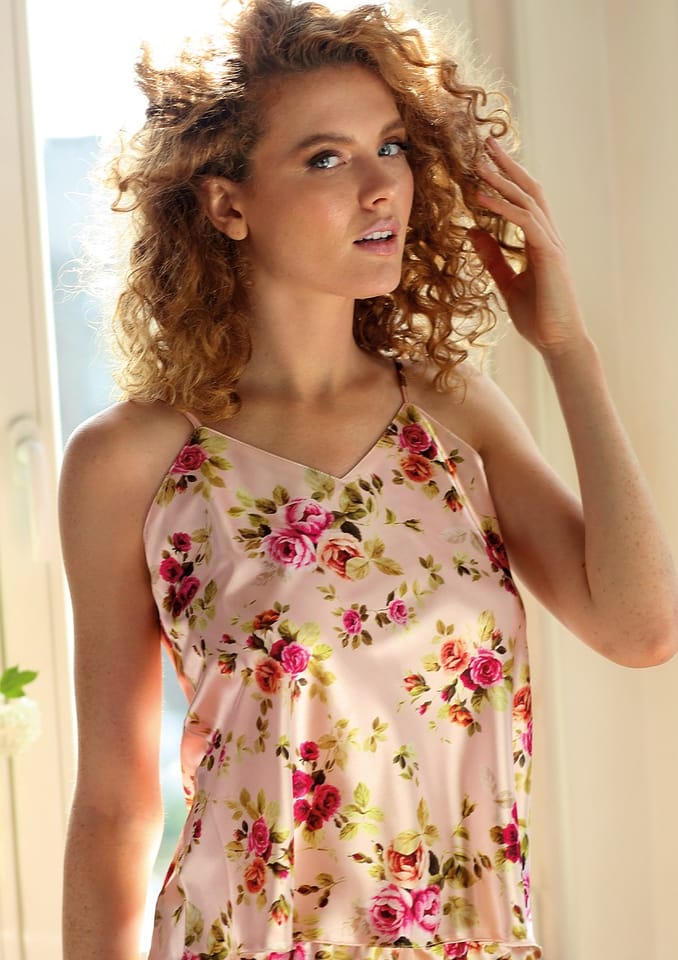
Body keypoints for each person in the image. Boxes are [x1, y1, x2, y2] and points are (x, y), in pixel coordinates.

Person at [58, 0, 678, 958]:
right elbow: (114, 805)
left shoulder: (452, 412)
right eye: (326, 158)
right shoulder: (132, 460)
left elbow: (641, 631)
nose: (383, 187)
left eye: (390, 147)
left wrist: (567, 349)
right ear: (228, 205)